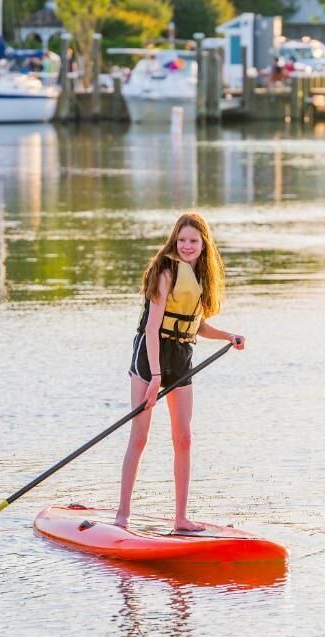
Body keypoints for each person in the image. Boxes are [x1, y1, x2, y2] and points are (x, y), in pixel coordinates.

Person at [116, 212, 245, 531]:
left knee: (184, 437)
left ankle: (181, 518)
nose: (187, 246)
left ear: (204, 245)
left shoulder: (200, 275)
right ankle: (122, 515)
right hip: (151, 357)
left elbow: (195, 325)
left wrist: (228, 336)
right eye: (182, 240)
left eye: (193, 241)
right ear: (175, 241)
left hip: (182, 356)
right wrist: (155, 377)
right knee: (140, 436)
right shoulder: (166, 271)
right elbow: (152, 327)